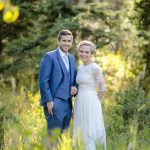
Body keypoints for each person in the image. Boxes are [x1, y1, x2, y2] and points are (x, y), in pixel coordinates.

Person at [39, 29, 77, 135]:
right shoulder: (49, 57)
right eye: (64, 41)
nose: (66, 43)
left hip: (68, 104)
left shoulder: (72, 59)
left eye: (69, 41)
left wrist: (75, 88)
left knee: (63, 139)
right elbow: (43, 81)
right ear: (58, 41)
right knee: (53, 137)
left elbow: (75, 80)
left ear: (71, 43)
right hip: (54, 102)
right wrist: (48, 100)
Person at [73, 40, 106, 150]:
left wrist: (95, 101)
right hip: (79, 101)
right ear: (78, 52)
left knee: (90, 128)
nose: (84, 54)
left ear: (92, 53)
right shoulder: (80, 68)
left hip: (91, 102)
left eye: (87, 52)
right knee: (80, 128)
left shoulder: (95, 68)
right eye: (81, 51)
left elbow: (102, 89)